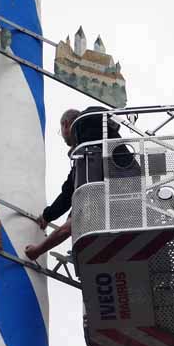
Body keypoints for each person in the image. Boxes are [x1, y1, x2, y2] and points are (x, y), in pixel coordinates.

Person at [24, 106, 118, 260]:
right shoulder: (101, 152)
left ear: (66, 124)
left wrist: (37, 250)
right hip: (123, 204)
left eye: (61, 130)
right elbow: (68, 193)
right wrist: (48, 216)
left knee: (80, 217)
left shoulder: (89, 160)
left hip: (109, 215)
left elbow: (68, 228)